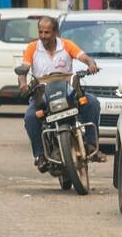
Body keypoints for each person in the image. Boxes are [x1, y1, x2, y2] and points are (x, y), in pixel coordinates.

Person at [18, 16, 101, 172]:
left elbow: (84, 57)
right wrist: (23, 84)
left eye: (47, 32)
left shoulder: (67, 45)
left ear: (55, 32)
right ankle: (40, 156)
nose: (43, 36)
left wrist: (91, 64)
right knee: (30, 117)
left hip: (67, 90)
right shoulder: (32, 48)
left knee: (92, 103)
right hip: (42, 93)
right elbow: (24, 68)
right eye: (40, 32)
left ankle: (91, 145)